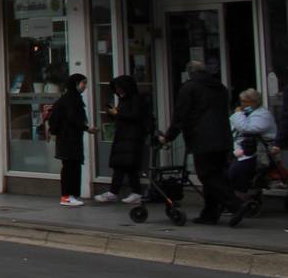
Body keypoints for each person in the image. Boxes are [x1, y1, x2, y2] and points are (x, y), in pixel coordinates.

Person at [159, 60, 234, 225]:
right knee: (216, 174)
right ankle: (210, 213)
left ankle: (234, 204)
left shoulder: (190, 88)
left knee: (207, 175)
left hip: (202, 138)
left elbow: (180, 115)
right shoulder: (220, 87)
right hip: (223, 137)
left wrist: (168, 136)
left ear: (190, 73)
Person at [98, 74, 151, 205]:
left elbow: (135, 116)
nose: (118, 91)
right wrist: (113, 114)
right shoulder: (124, 100)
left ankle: (122, 192)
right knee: (123, 165)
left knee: (127, 165)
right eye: (116, 89)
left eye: (119, 88)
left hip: (132, 137)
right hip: (122, 136)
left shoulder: (136, 99)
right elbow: (123, 116)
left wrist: (118, 114)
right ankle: (125, 192)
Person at [228, 88, 279, 199]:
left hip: (260, 153)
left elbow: (247, 128)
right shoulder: (247, 113)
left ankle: (243, 197)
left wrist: (238, 114)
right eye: (241, 101)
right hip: (243, 151)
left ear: (255, 102)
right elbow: (233, 127)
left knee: (236, 171)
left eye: (246, 101)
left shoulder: (263, 115)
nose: (242, 104)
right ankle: (241, 196)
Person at [48, 72, 91, 206]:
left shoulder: (70, 98)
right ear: (76, 84)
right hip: (68, 139)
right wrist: (86, 128)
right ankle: (66, 196)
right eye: (83, 83)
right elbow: (73, 118)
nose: (85, 86)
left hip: (69, 138)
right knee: (70, 167)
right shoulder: (71, 100)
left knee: (73, 166)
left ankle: (71, 195)